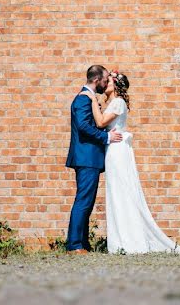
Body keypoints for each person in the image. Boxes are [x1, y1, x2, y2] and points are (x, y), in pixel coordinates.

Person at [83, 71, 180, 254]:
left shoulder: (118, 102)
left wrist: (92, 101)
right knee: (116, 193)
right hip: (112, 150)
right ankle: (120, 239)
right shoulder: (112, 103)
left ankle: (130, 240)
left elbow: (100, 123)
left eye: (109, 81)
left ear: (116, 85)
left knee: (122, 192)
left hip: (117, 151)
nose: (105, 83)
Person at [65, 65, 123, 253]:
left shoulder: (89, 98)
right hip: (86, 157)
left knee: (87, 202)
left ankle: (82, 243)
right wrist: (106, 137)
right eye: (106, 79)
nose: (107, 82)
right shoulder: (83, 98)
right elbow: (83, 126)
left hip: (89, 158)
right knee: (83, 201)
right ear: (97, 80)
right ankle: (74, 245)